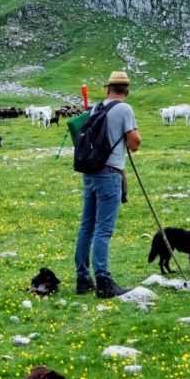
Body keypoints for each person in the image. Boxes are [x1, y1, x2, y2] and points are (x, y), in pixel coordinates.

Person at [74, 71, 141, 298]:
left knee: (87, 227)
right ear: (127, 91)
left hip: (90, 173)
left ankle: (83, 279)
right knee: (103, 230)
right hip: (110, 174)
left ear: (108, 89)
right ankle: (103, 280)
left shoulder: (96, 108)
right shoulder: (125, 109)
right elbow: (135, 143)